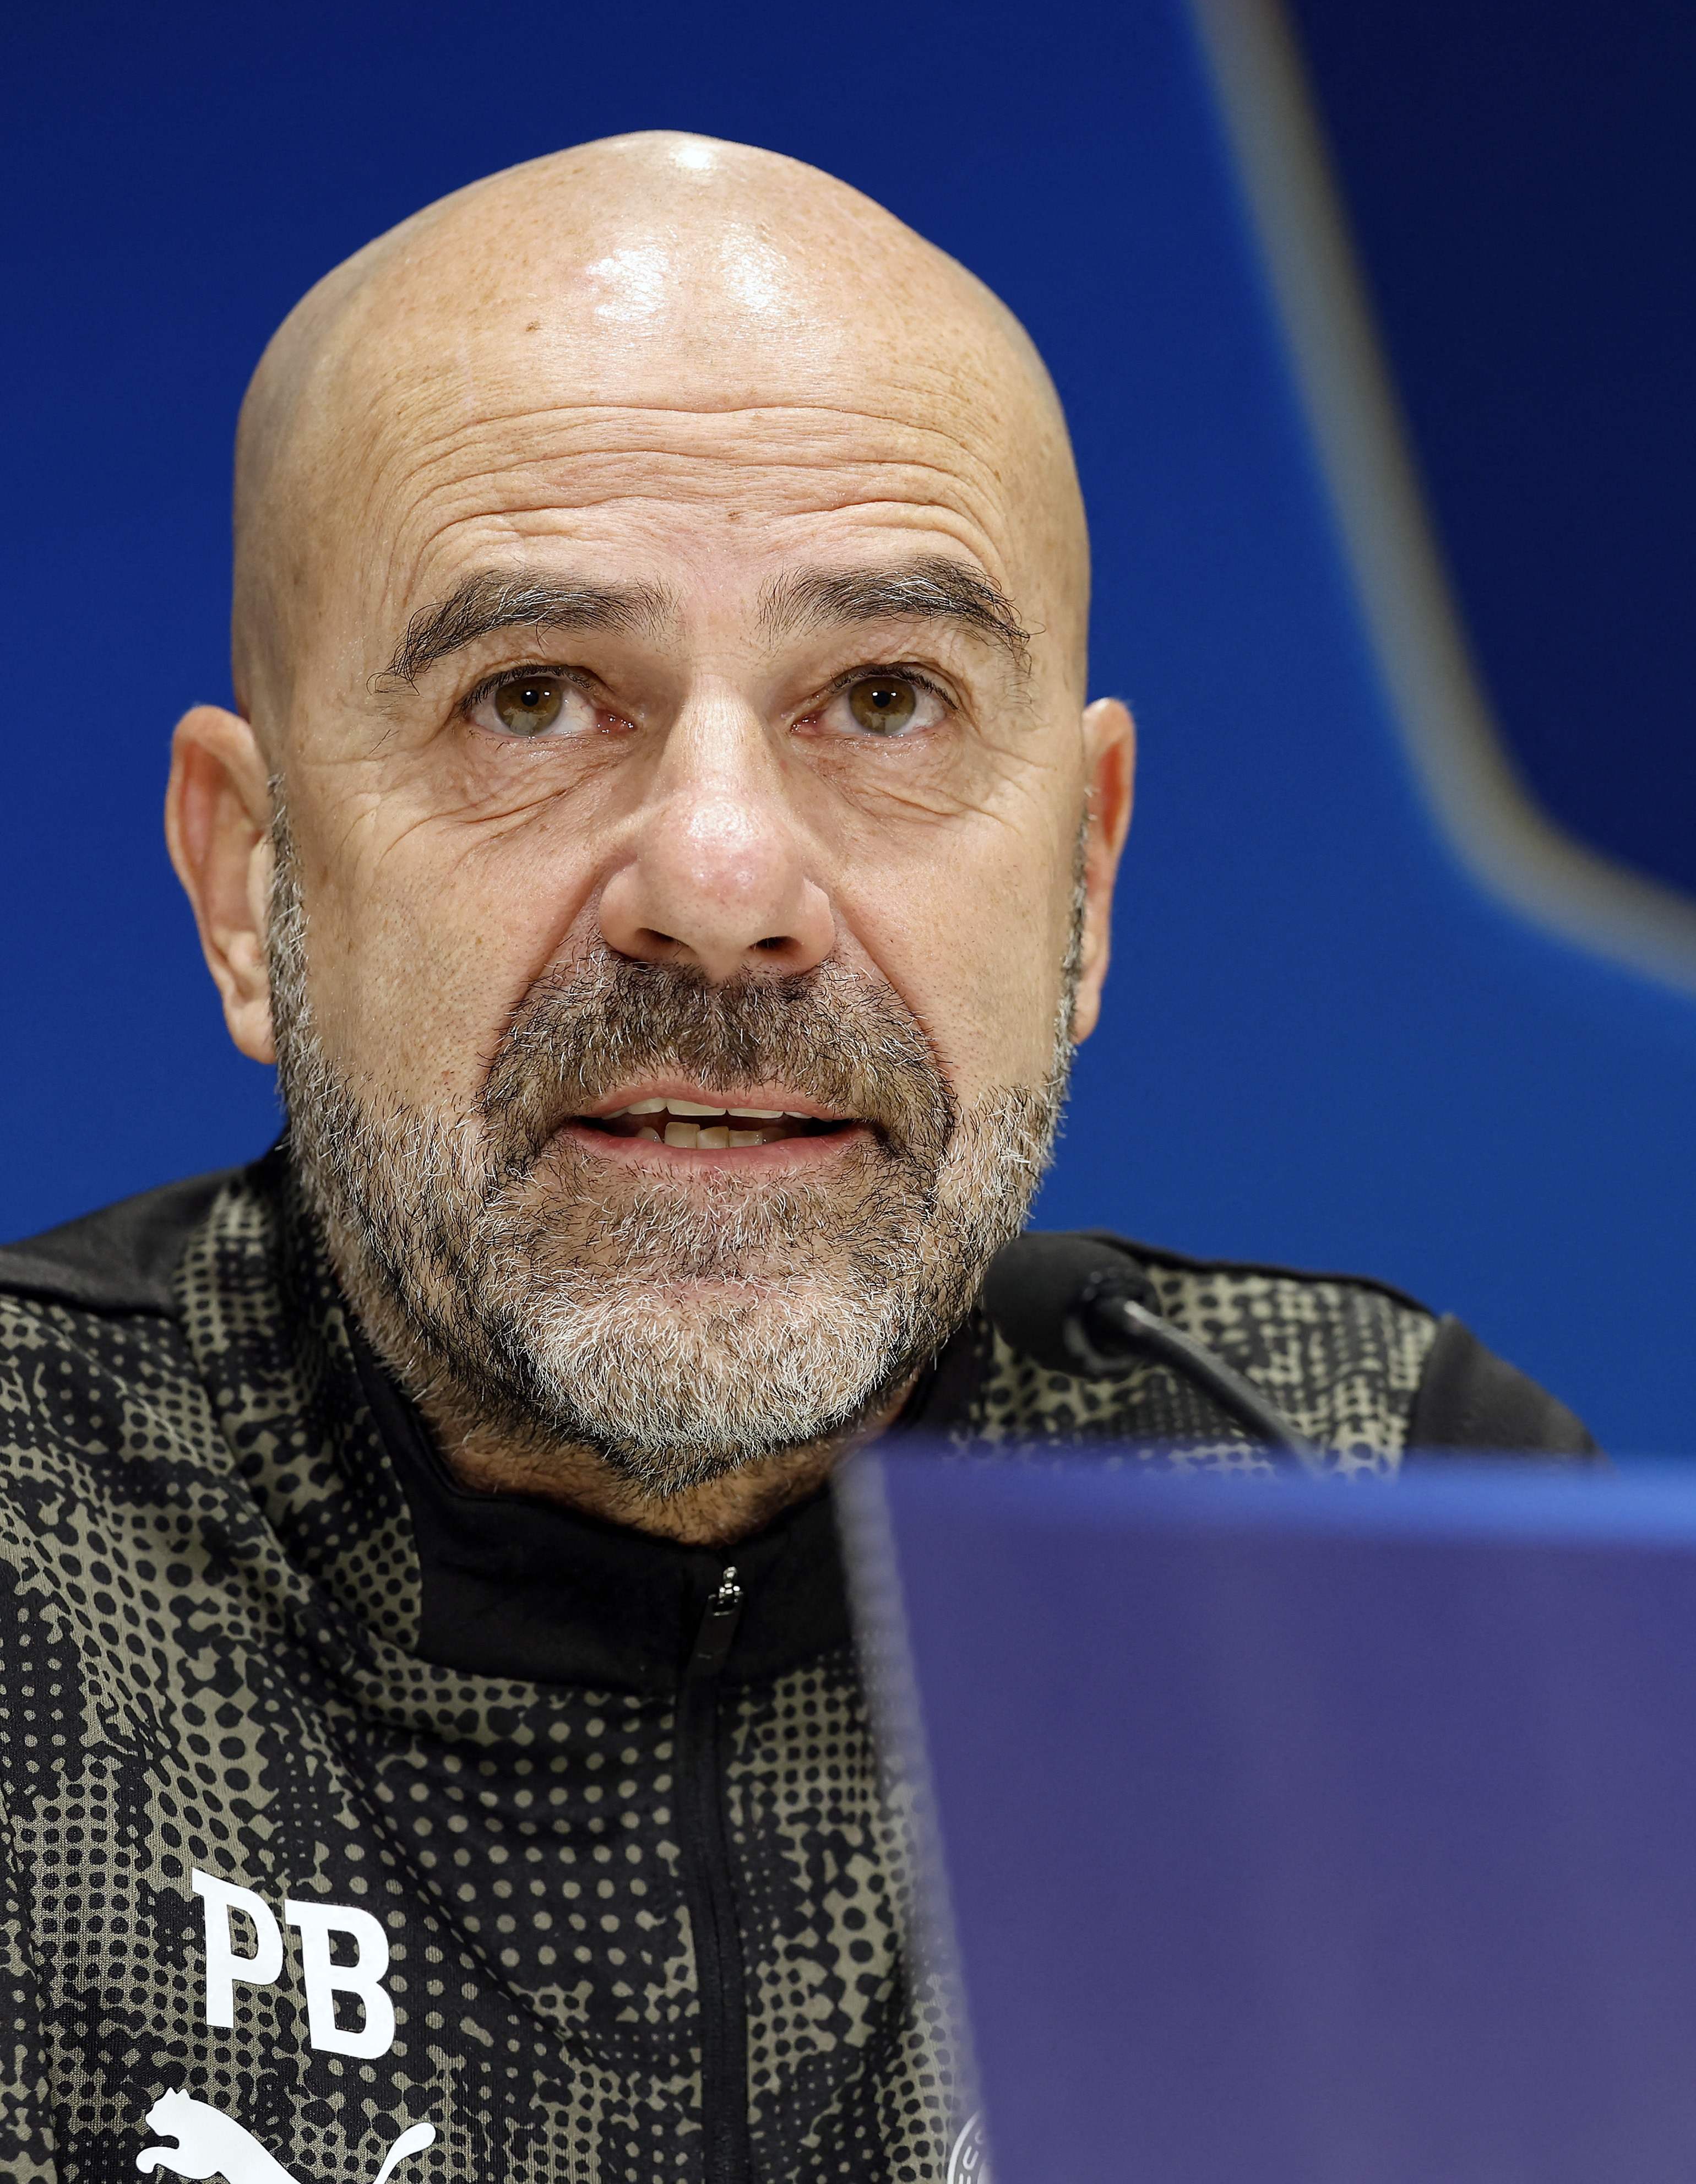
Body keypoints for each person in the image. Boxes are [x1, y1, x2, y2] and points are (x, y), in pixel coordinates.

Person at [0, 133, 1592, 2181]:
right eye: (536, 697)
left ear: (1084, 881)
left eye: (888, 697)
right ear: (253, 880)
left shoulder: (1374, 1527)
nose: (728, 883)